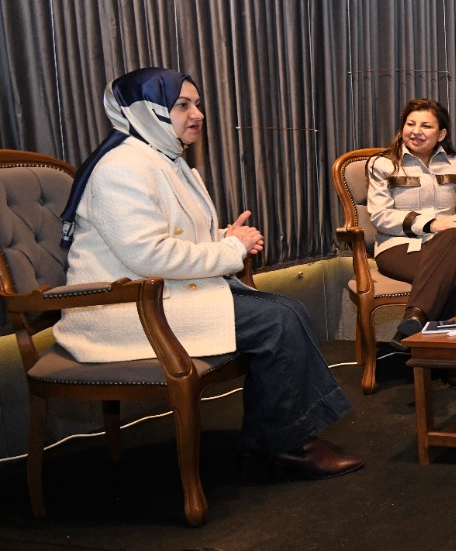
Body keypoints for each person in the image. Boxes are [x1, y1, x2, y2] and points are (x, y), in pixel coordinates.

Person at [54, 68, 362, 478]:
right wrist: (231, 249)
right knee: (278, 320)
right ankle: (289, 446)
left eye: (197, 104)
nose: (197, 114)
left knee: (288, 310)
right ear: (146, 111)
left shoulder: (163, 158)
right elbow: (149, 254)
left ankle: (265, 441)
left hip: (160, 294)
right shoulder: (121, 168)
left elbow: (170, 236)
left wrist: (224, 238)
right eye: (182, 105)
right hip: (125, 308)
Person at [368, 98, 456, 390]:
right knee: (453, 278)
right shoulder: (383, 164)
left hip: (449, 244)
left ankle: (415, 317)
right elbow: (380, 216)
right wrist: (432, 224)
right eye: (410, 124)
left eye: (425, 126)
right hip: (398, 247)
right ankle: (452, 364)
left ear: (441, 133)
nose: (416, 131)